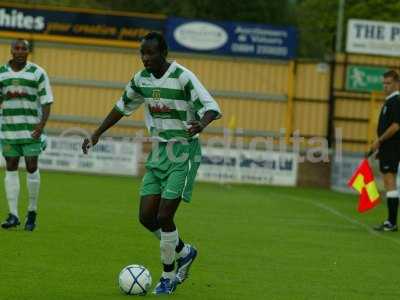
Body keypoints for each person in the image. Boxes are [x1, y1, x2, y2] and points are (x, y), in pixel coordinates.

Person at [82, 32, 221, 295]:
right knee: (146, 216)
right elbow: (122, 106)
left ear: (163, 53)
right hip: (159, 152)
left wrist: (201, 124)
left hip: (183, 153)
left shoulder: (182, 76)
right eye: (142, 54)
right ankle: (185, 251)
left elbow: (211, 106)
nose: (145, 58)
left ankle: (168, 276)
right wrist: (97, 132)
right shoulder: (141, 79)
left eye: (150, 53)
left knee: (164, 215)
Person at [0, 39, 53, 231]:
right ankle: (13, 214)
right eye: (17, 48)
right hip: (9, 130)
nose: (20, 52)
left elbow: (47, 101)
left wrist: (41, 126)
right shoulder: (1, 73)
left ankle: (32, 211)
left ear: (28, 52)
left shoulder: (37, 73)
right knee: (11, 167)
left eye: (24, 49)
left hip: (31, 130)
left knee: (31, 166)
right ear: (11, 50)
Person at [367, 70, 400, 232]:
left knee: (389, 181)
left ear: (396, 83)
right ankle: (391, 221)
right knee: (389, 181)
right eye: (384, 83)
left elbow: (396, 125)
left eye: (388, 83)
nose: (385, 86)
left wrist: (379, 141)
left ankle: (391, 222)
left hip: (392, 147)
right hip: (389, 147)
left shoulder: (395, 101)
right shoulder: (390, 101)